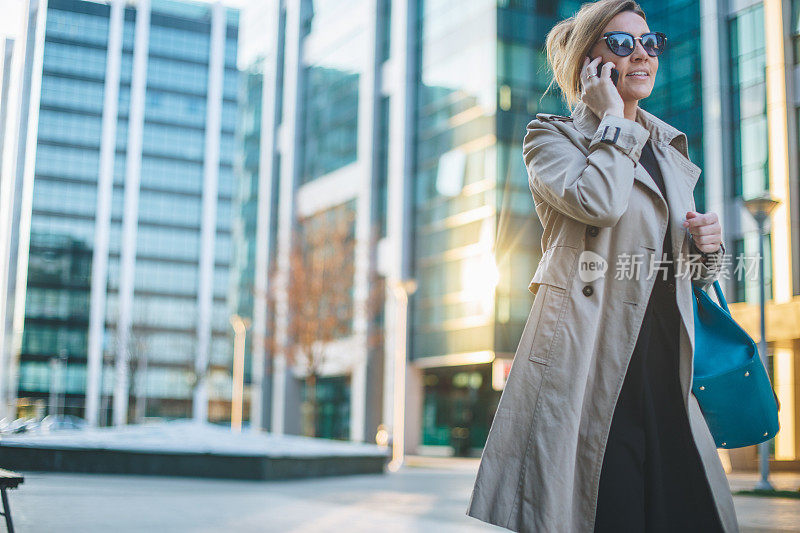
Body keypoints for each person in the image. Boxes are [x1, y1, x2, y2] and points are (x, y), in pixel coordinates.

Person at [466, 1, 738, 532]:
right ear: (588, 64)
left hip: (665, 362)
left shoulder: (667, 148)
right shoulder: (551, 138)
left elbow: (683, 274)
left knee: (689, 511)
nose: (642, 53)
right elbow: (600, 204)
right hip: (592, 363)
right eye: (620, 43)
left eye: (649, 41)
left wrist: (708, 248)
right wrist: (613, 118)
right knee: (608, 509)